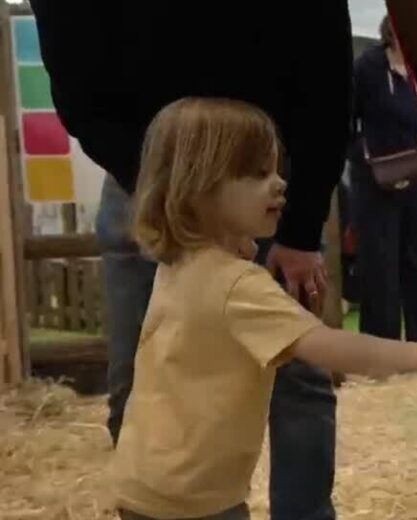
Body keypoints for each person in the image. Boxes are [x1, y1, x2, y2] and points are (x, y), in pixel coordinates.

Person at [29, 2, 352, 518]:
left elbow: (329, 76)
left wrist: (302, 226)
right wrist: (166, 188)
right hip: (147, 174)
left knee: (296, 377)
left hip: (266, 179)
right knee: (143, 380)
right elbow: (78, 88)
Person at [112, 97, 417, 520]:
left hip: (144, 482)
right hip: (194, 503)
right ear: (197, 189)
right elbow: (335, 349)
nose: (279, 183)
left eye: (275, 169)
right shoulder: (237, 285)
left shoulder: (179, 262)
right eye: (255, 173)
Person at [349, 15, 417, 344]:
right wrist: (364, 154)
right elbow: (348, 120)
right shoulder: (368, 66)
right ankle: (380, 349)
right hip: (376, 182)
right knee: (379, 267)